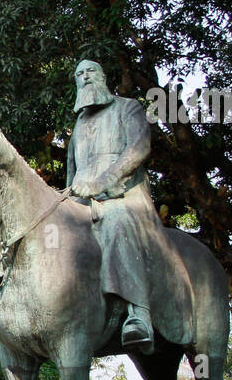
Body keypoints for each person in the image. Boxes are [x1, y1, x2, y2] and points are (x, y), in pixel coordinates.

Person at [67, 60, 164, 352]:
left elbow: (139, 148)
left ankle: (139, 314)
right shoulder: (78, 125)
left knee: (116, 220)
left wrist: (102, 182)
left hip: (124, 198)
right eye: (79, 74)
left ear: (104, 76)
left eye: (91, 71)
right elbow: (72, 175)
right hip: (83, 202)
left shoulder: (127, 107)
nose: (85, 77)